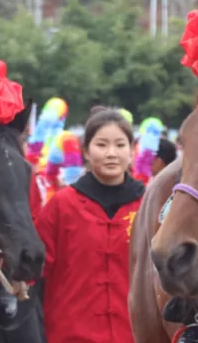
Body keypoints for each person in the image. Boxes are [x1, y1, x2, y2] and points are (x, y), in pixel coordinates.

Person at [33, 108, 145, 343]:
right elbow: (34, 269)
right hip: (70, 334)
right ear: (86, 151)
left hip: (135, 334)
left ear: (132, 151)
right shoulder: (62, 206)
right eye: (102, 145)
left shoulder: (148, 205)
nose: (111, 154)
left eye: (120, 145)